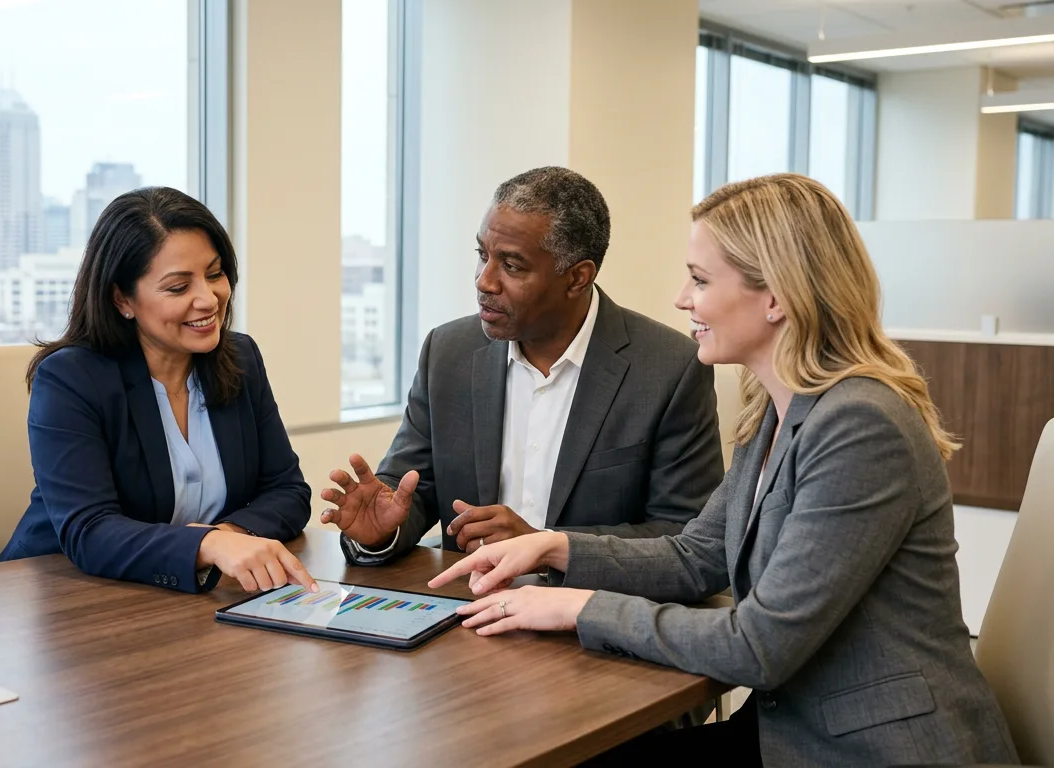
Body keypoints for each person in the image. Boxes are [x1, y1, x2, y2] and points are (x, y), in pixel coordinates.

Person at [429, 174, 1018, 767]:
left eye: (701, 280)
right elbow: (696, 556)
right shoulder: (782, 408)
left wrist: (576, 607)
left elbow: (759, 646)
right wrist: (552, 547)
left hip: (879, 749)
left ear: (776, 297)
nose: (683, 299)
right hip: (796, 727)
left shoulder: (862, 427)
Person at [322, 166, 723, 565]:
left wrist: (546, 545)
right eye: (483, 255)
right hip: (467, 609)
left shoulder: (668, 369)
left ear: (578, 278)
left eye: (512, 265)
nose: (485, 280)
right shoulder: (448, 352)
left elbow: (686, 535)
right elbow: (410, 489)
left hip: (588, 615)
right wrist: (383, 532)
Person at [0, 187, 317, 596]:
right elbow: (90, 531)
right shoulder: (71, 378)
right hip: (59, 595)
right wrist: (208, 544)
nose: (209, 299)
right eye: (178, 287)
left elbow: (288, 491)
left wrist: (227, 535)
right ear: (122, 299)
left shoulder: (241, 357)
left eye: (215, 274)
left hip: (180, 601)